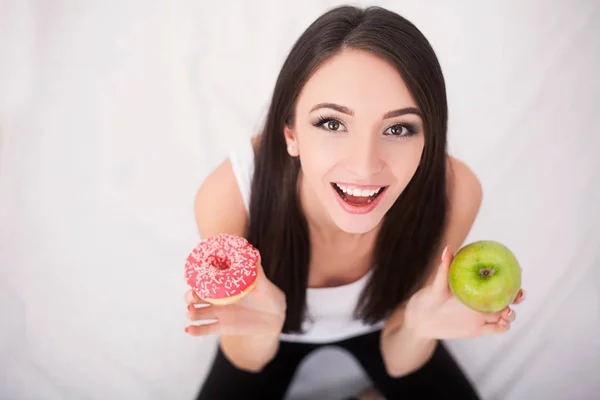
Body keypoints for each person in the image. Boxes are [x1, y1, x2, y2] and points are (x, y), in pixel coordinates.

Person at [184, 5, 526, 400]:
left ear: (428, 137)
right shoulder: (230, 196)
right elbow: (248, 359)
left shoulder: (456, 190)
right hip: (268, 329)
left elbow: (399, 357)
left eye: (398, 128)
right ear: (290, 133)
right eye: (331, 123)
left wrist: (418, 325)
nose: (364, 167)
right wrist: (264, 326)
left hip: (383, 325)